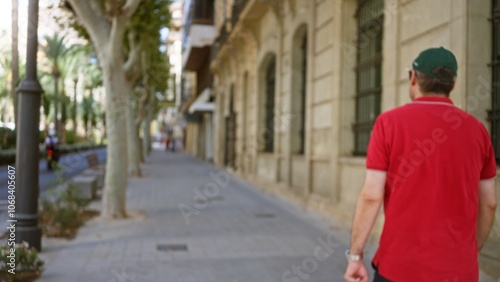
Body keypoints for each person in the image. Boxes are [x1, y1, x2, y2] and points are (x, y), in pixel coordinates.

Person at [344, 47, 497, 282]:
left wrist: (355, 256)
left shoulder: (388, 123)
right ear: (452, 85)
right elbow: (489, 204)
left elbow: (371, 195)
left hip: (399, 268)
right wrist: (466, 252)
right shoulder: (478, 131)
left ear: (414, 78)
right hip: (458, 272)